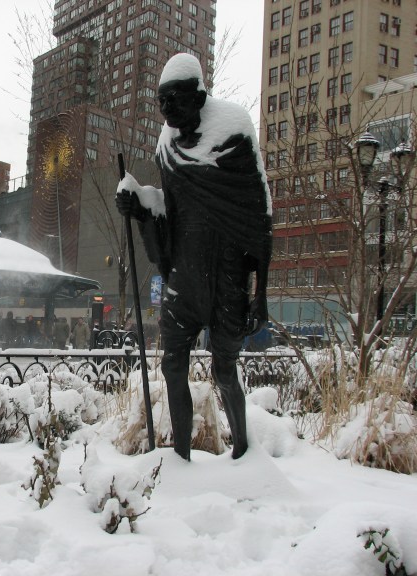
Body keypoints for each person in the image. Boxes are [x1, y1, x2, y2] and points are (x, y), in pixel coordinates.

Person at [115, 53, 272, 461]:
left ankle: (243, 453)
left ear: (199, 97)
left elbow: (258, 214)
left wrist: (262, 294)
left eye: (175, 100)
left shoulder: (233, 132)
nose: (167, 110)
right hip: (183, 277)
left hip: (226, 275)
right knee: (172, 367)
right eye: (161, 102)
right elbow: (170, 208)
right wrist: (139, 205)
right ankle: (180, 458)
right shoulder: (166, 146)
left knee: (224, 370)